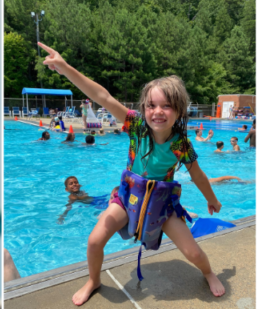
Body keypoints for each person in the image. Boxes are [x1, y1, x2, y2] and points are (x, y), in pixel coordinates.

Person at [40, 42, 225, 304]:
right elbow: (102, 96)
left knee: (193, 253)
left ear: (180, 110)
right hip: (128, 198)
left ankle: (208, 273)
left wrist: (212, 199)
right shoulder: (136, 126)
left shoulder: (181, 144)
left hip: (162, 204)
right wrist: (65, 68)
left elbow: (198, 175)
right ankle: (94, 280)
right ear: (143, 108)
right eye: (151, 105)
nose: (157, 111)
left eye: (166, 106)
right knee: (94, 241)